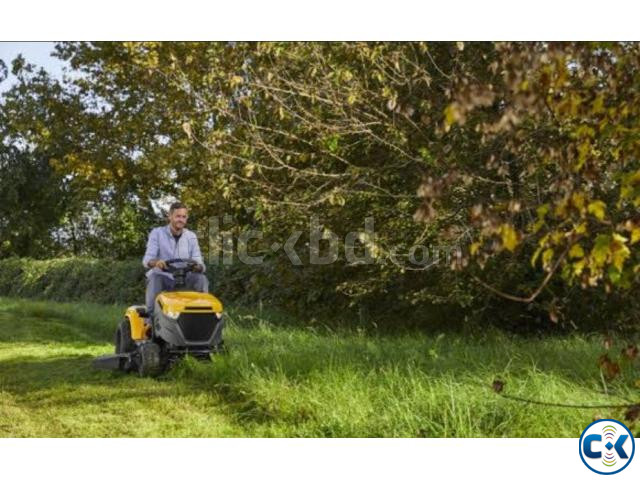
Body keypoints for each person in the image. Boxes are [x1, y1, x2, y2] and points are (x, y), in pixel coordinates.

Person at [142, 201, 208, 316]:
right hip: (164, 277)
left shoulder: (191, 236)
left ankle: (202, 316)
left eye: (184, 217)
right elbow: (147, 260)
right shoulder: (157, 233)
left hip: (185, 277)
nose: (181, 220)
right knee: (155, 279)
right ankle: (151, 318)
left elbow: (199, 261)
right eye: (178, 216)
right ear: (170, 216)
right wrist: (156, 262)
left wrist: (198, 266)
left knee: (201, 279)